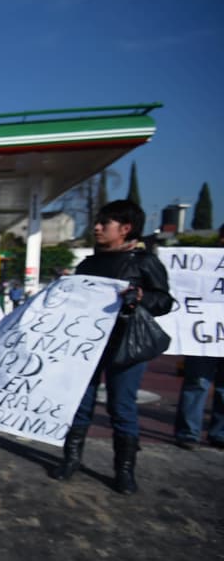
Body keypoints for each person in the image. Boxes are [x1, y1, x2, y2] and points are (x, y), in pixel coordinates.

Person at [50, 199, 173, 494]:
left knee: (122, 407)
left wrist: (142, 296)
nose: (96, 227)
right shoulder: (88, 263)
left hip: (126, 347)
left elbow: (165, 301)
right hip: (85, 346)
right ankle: (71, 459)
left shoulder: (145, 263)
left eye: (104, 223)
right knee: (80, 405)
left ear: (126, 229)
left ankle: (124, 470)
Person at [172, 223, 224, 450]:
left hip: (209, 333)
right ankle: (188, 433)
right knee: (197, 382)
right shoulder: (205, 264)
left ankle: (219, 433)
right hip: (204, 335)